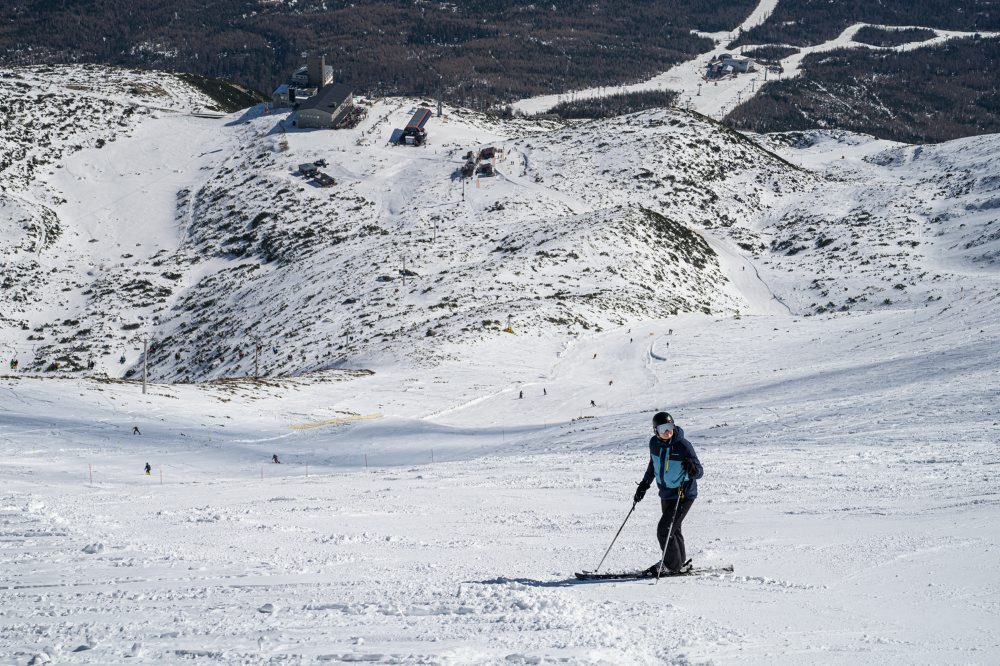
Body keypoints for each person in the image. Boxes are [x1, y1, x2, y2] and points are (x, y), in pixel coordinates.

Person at [632, 411, 703, 574]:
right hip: (666, 493)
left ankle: (671, 565)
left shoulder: (683, 445)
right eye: (663, 428)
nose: (667, 431)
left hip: (683, 495)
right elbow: (653, 464)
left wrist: (692, 470)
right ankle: (679, 562)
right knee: (674, 529)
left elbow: (699, 472)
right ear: (655, 430)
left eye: (670, 426)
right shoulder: (654, 444)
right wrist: (644, 484)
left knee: (664, 529)